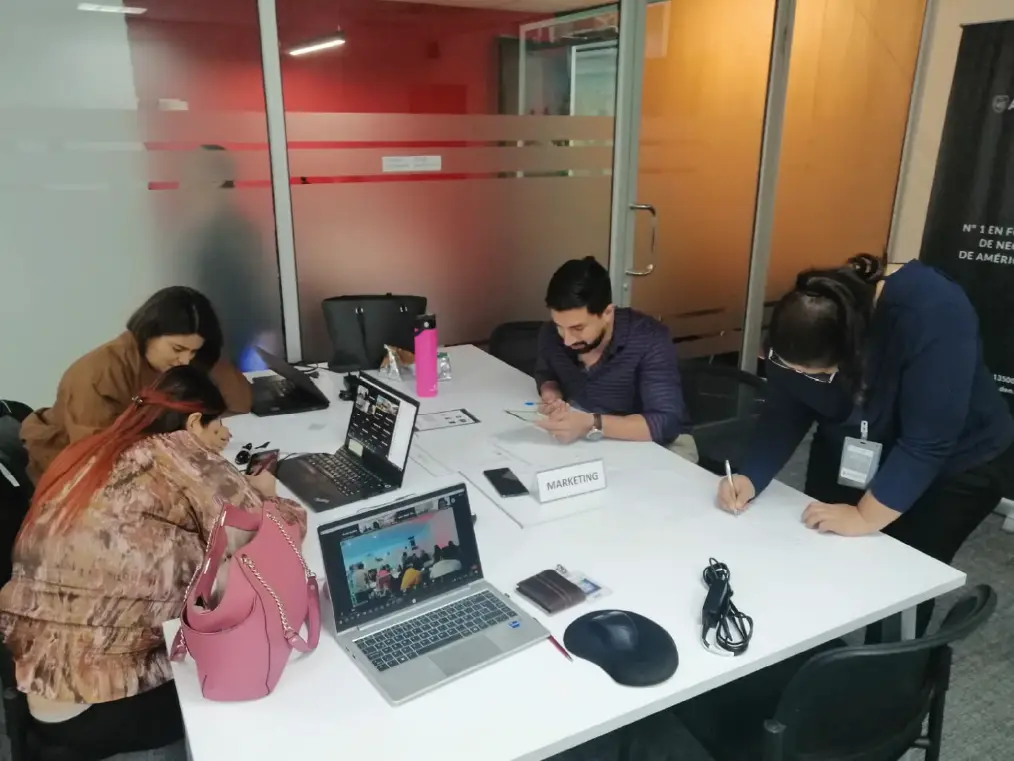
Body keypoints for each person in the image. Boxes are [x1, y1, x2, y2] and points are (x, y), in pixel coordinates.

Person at [0, 366, 306, 758]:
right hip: (99, 705)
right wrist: (268, 494)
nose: (225, 436)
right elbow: (274, 538)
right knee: (265, 686)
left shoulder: (101, 452)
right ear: (193, 422)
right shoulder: (186, 459)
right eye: (219, 425)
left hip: (39, 681)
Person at [718, 254, 1014, 632]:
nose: (800, 376)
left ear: (853, 354)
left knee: (897, 579)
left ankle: (897, 663)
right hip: (857, 441)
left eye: (817, 374)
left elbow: (928, 442)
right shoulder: (803, 325)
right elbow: (786, 408)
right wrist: (752, 476)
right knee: (815, 547)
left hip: (955, 461)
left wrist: (864, 517)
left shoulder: (931, 309)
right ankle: (810, 646)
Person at [21, 286, 252, 482]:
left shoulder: (174, 361)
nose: (185, 360)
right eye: (178, 349)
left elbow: (241, 403)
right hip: (73, 472)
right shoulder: (97, 375)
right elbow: (99, 460)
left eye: (193, 351)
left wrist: (208, 356)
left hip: (138, 459)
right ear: (149, 332)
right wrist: (191, 444)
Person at [533, 257, 694, 460]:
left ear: (607, 313)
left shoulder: (649, 338)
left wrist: (591, 423)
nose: (567, 340)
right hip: (591, 441)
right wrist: (552, 395)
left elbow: (666, 423)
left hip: (658, 446)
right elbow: (546, 373)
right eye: (559, 326)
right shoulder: (550, 334)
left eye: (578, 328)